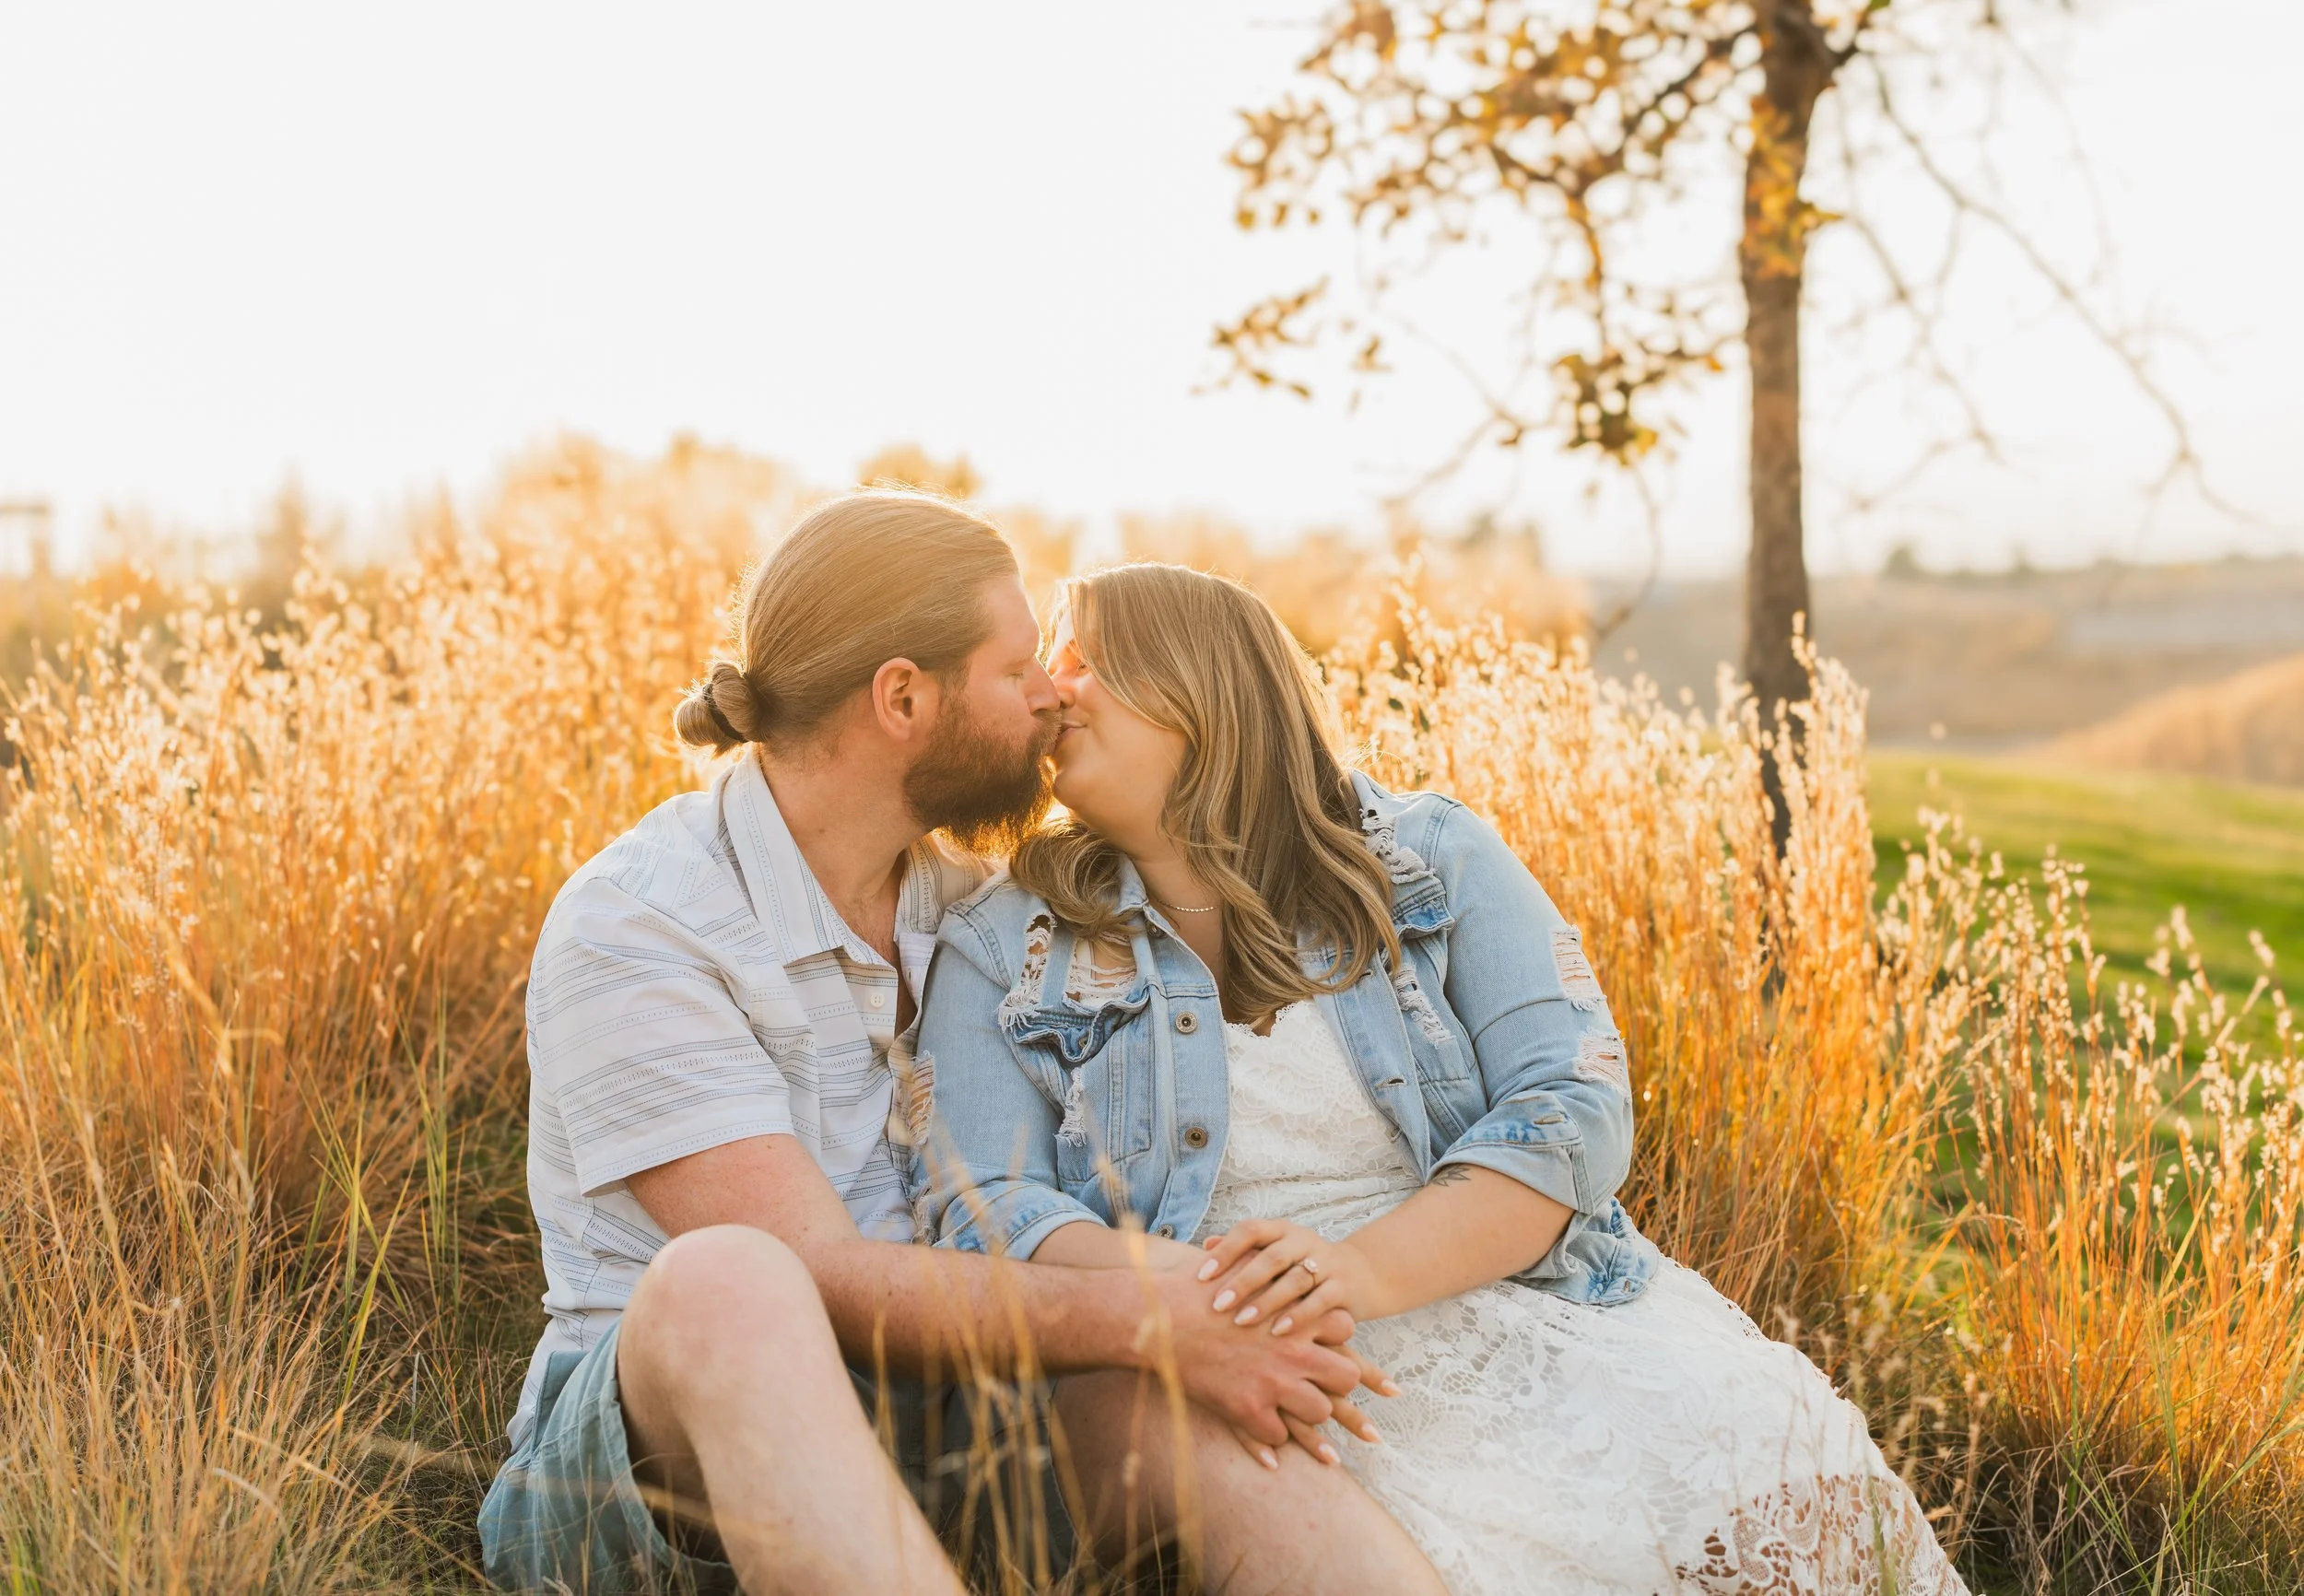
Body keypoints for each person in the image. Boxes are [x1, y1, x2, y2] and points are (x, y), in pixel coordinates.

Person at [912, 561, 1970, 1595]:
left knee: (1760, 1451)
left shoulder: (1424, 854)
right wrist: (1213, 1301)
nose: (1050, 691)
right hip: (1222, 1349)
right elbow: (982, 1201)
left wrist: (1350, 1273)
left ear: (1201, 685)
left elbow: (1569, 1106)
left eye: (1083, 659)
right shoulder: (1004, 938)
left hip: (1494, 1293)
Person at [479, 495, 1438, 1596]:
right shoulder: (644, 923)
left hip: (965, 1422)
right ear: (903, 697)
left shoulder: (988, 913)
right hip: (666, 1474)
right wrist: (1150, 1313)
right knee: (730, 1280)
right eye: (1019, 665)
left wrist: (1211, 1312)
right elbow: (827, 1280)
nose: (1052, 694)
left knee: (1152, 1386)